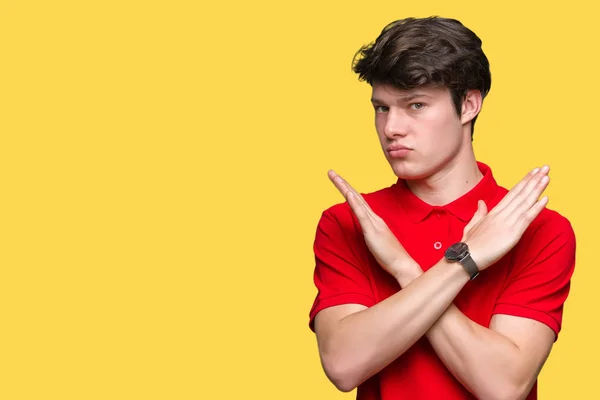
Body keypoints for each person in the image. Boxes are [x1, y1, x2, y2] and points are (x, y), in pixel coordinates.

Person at [308, 16, 576, 400]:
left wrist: (404, 269)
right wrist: (463, 263)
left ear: (468, 104)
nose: (391, 128)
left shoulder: (537, 228)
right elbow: (343, 364)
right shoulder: (350, 222)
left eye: (415, 105)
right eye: (381, 108)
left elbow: (504, 387)